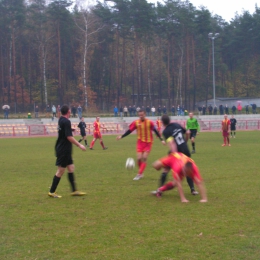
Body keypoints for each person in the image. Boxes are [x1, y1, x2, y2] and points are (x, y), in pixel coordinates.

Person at [48, 105, 86, 198]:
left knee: (71, 168)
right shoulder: (66, 121)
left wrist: (70, 129)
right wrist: (79, 145)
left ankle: (74, 191)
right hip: (63, 149)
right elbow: (69, 137)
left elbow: (63, 131)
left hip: (65, 149)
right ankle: (52, 191)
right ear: (69, 112)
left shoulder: (61, 119)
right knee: (61, 170)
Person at [155, 114, 198, 195]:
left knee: (166, 169)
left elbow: (172, 143)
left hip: (177, 153)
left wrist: (173, 153)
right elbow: (188, 133)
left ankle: (159, 190)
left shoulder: (166, 131)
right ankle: (193, 189)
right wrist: (184, 142)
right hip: (185, 150)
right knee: (188, 169)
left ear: (163, 122)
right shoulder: (176, 124)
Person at [116, 109, 164, 180]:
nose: (141, 116)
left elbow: (155, 131)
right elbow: (129, 131)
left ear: (145, 114)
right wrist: (121, 136)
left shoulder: (149, 122)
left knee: (144, 158)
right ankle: (141, 172)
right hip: (140, 142)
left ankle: (139, 174)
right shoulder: (136, 122)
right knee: (138, 159)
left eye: (142, 115)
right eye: (139, 115)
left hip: (148, 142)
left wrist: (161, 139)